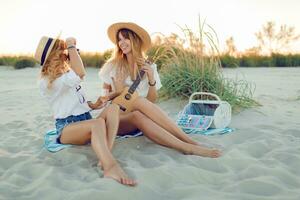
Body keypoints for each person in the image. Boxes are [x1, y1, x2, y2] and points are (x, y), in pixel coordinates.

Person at [91, 22, 221, 158]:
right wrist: (118, 87)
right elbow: (105, 100)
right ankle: (189, 143)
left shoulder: (149, 66)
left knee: (138, 112)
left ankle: (187, 144)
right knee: (138, 102)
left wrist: (151, 79)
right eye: (119, 40)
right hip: (115, 118)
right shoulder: (112, 66)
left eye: (125, 38)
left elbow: (151, 101)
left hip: (137, 117)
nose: (122, 43)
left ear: (135, 40)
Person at [35, 36, 136, 186]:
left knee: (113, 107)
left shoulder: (66, 74)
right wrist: (70, 45)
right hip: (67, 127)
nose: (68, 52)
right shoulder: (47, 81)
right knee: (97, 124)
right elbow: (81, 73)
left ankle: (106, 150)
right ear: (55, 55)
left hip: (85, 120)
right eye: (62, 49)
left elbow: (76, 101)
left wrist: (93, 105)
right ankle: (110, 167)